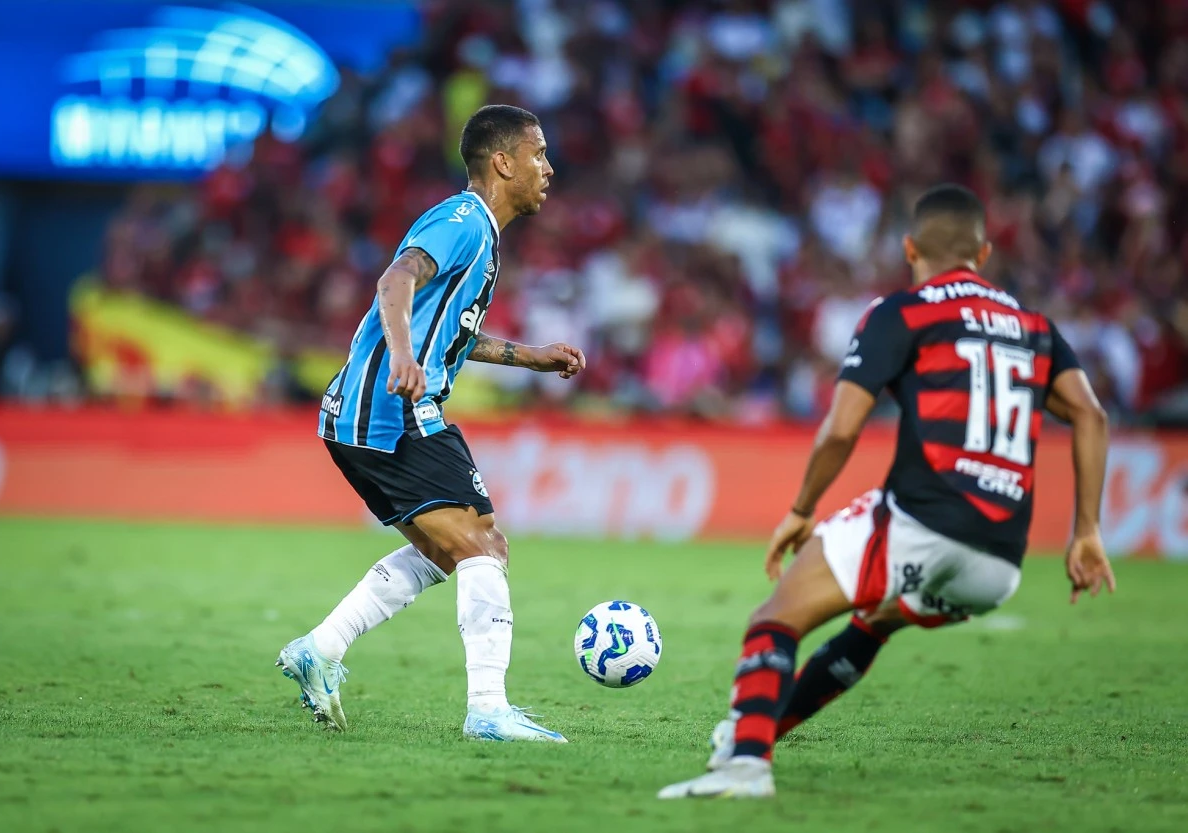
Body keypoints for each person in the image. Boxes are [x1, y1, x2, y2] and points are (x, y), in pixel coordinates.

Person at [658, 184, 1116, 798]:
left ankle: (746, 767)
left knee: (775, 619)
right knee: (876, 622)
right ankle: (750, 735)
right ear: (982, 254)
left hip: (923, 521)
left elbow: (842, 427)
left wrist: (800, 510)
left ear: (909, 248)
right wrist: (1086, 530)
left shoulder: (903, 312)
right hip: (1000, 561)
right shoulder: (1033, 327)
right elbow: (1092, 415)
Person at [276, 104, 585, 742]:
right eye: (538, 155)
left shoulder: (480, 233)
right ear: (503, 163)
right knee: (483, 547)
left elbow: (455, 332)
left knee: (450, 553)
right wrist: (402, 354)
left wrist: (530, 356)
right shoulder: (463, 220)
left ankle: (321, 649)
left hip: (369, 413)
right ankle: (488, 713)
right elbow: (396, 281)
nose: (547, 169)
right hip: (390, 411)